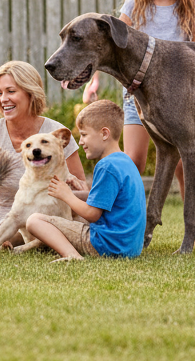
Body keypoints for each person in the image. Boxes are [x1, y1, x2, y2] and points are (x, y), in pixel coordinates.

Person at [83, 0, 195, 248]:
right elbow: (111, 44)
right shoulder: (135, 3)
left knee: (184, 164)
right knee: (133, 161)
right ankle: (129, 229)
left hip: (180, 101)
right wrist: (94, 79)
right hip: (137, 99)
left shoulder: (192, 5)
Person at [0, 60, 87, 248]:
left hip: (41, 217)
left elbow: (82, 193)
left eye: (11, 91)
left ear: (30, 93)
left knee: (67, 225)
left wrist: (74, 188)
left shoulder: (56, 134)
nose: (3, 99)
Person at [26, 99, 146, 260]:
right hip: (129, 248)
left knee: (35, 221)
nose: (81, 141)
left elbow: (92, 214)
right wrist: (77, 193)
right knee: (65, 213)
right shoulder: (125, 162)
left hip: (106, 245)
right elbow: (106, 202)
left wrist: (66, 195)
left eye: (84, 135)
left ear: (104, 134)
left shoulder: (106, 166)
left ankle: (72, 255)